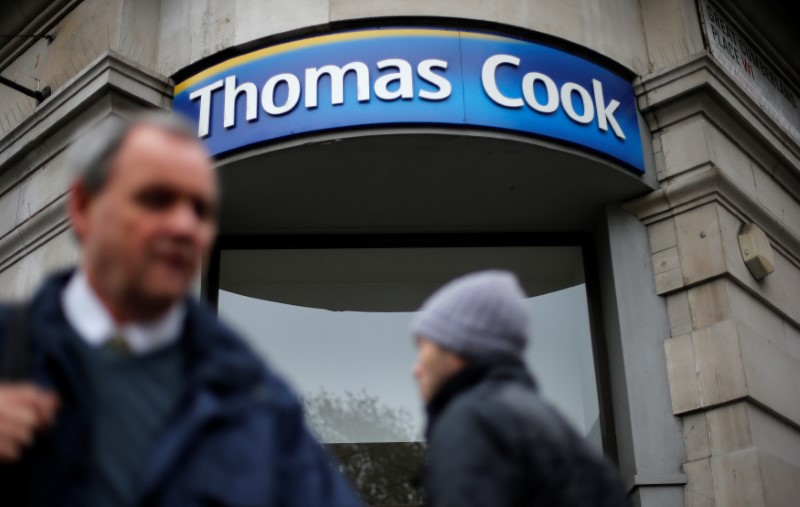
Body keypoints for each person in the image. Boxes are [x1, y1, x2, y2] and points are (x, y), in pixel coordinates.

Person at [0, 113, 361, 507]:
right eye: (157, 199)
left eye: (200, 210)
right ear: (85, 207)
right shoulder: (11, 349)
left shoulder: (263, 406)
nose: (185, 226)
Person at [410, 270, 630, 507]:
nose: (416, 368)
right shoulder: (557, 428)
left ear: (456, 349)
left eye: (423, 347)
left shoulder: (472, 420)